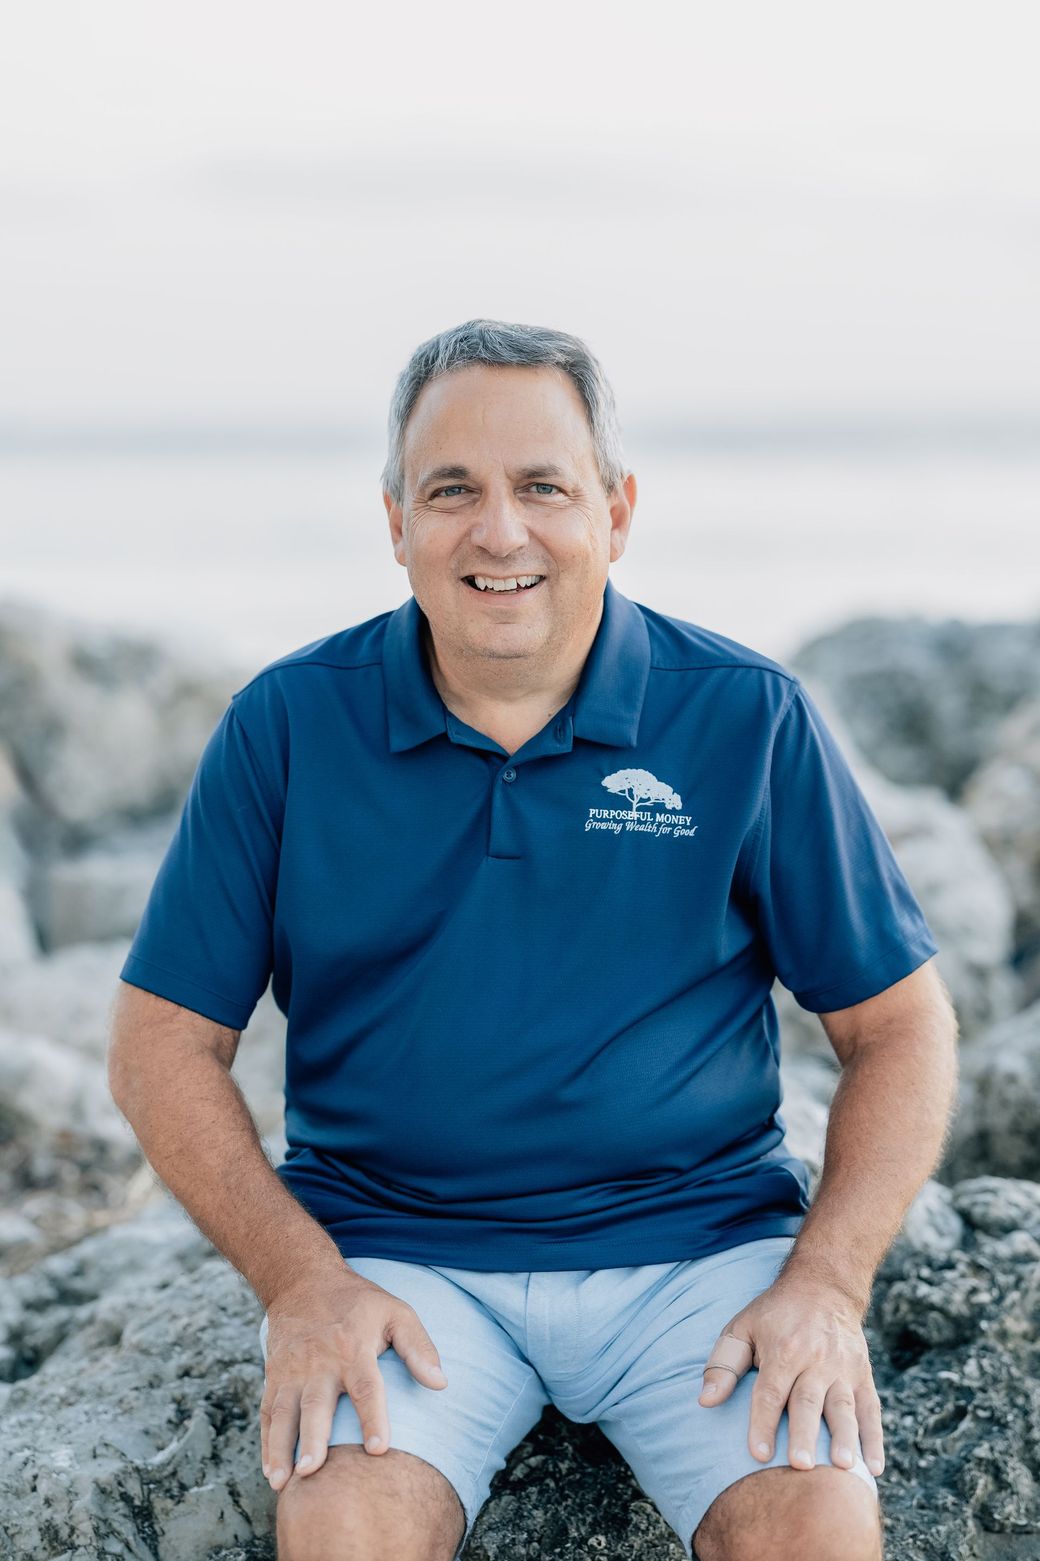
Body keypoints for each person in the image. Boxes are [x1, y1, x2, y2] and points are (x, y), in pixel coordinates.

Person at [108, 318, 959, 1561]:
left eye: (541, 487)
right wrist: (301, 1282)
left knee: (815, 1531)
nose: (497, 530)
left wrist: (824, 1287)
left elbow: (897, 1026)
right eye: (450, 489)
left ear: (614, 511)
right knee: (344, 1534)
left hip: (700, 1253)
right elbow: (160, 1046)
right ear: (395, 520)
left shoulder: (741, 717)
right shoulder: (288, 726)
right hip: (396, 1257)